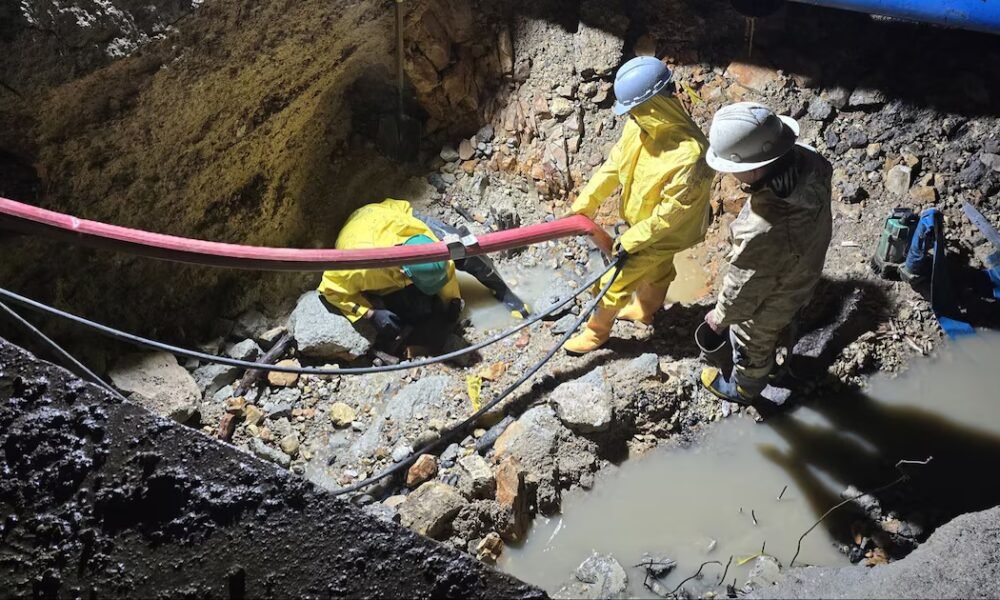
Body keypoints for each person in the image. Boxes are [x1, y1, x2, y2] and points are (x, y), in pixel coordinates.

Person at [565, 56, 714, 354]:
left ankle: (596, 333)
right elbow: (614, 165)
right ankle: (645, 311)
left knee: (614, 281)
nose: (631, 115)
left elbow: (669, 216)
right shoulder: (639, 127)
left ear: (653, 106)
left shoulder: (690, 155)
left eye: (635, 109)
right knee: (658, 269)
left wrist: (631, 239)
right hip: (644, 225)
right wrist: (586, 204)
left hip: (665, 232)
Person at [700, 102, 833, 405]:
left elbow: (744, 284)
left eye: (734, 169)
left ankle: (746, 388)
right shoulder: (809, 159)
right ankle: (781, 353)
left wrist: (720, 317)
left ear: (753, 167)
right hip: (808, 263)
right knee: (787, 315)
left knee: (750, 336)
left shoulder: (761, 227)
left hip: (780, 286)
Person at [318, 198, 528, 340]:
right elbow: (330, 290)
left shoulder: (426, 236)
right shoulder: (358, 268)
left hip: (394, 215)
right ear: (403, 273)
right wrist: (370, 313)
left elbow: (445, 269)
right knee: (417, 312)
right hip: (361, 229)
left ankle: (503, 290)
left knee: (465, 251)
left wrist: (453, 301)